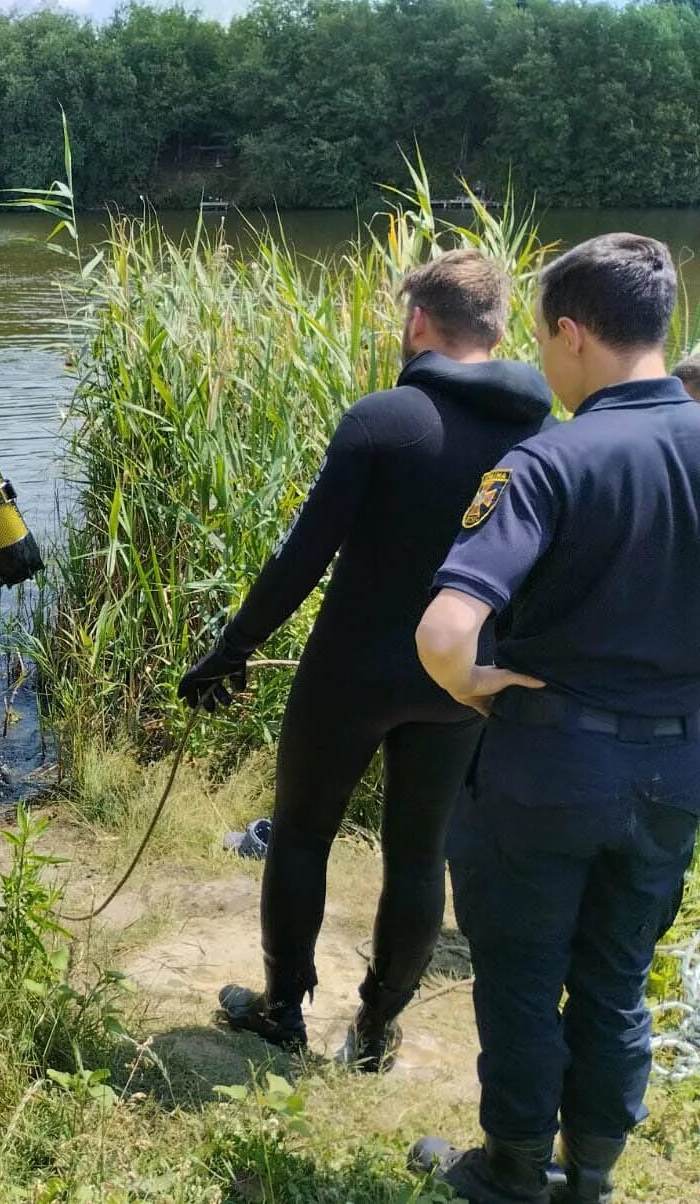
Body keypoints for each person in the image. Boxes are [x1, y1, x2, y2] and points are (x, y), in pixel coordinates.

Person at [177, 250, 553, 1071]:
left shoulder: (384, 417)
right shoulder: (542, 431)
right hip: (461, 677)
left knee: (303, 836)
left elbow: (302, 556)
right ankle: (378, 1030)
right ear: (497, 328)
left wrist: (232, 651)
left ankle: (282, 1012)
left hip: (350, 671)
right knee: (418, 854)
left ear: (418, 319)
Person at [412, 234, 700, 1204]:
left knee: (524, 974)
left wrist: (472, 685)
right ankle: (594, 1174)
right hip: (674, 770)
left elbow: (448, 628)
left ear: (572, 334)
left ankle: (510, 1169)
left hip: (548, 768)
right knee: (617, 976)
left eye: (542, 338)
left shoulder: (550, 459)